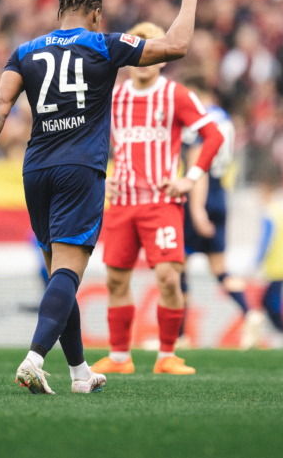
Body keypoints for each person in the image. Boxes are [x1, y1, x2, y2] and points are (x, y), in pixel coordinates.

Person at [0, 0, 202, 394]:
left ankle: (79, 374)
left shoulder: (25, 51)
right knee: (68, 275)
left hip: (36, 169)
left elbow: (1, 104)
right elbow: (176, 46)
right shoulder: (102, 43)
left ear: (58, 14)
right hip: (80, 169)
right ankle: (34, 359)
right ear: (96, 15)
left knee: (60, 274)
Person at [90, 23, 225, 376]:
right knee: (116, 280)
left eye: (154, 50)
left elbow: (213, 136)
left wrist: (190, 178)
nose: (145, 59)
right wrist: (102, 178)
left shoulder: (176, 95)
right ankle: (120, 358)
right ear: (130, 56)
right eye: (140, 51)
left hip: (161, 202)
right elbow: (92, 141)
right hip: (122, 203)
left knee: (168, 276)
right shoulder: (112, 95)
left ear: (163, 57)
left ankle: (167, 355)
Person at [178, 80, 245, 346]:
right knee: (220, 268)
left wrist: (195, 209)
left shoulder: (200, 118)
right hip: (220, 194)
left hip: (199, 191)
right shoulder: (226, 120)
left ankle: (180, 334)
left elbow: (197, 163)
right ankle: (250, 313)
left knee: (176, 264)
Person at [243, 168, 283, 350]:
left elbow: (266, 240)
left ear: (266, 189)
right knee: (273, 300)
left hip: (277, 267)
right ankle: (281, 335)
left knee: (270, 301)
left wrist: (256, 263)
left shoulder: (270, 212)